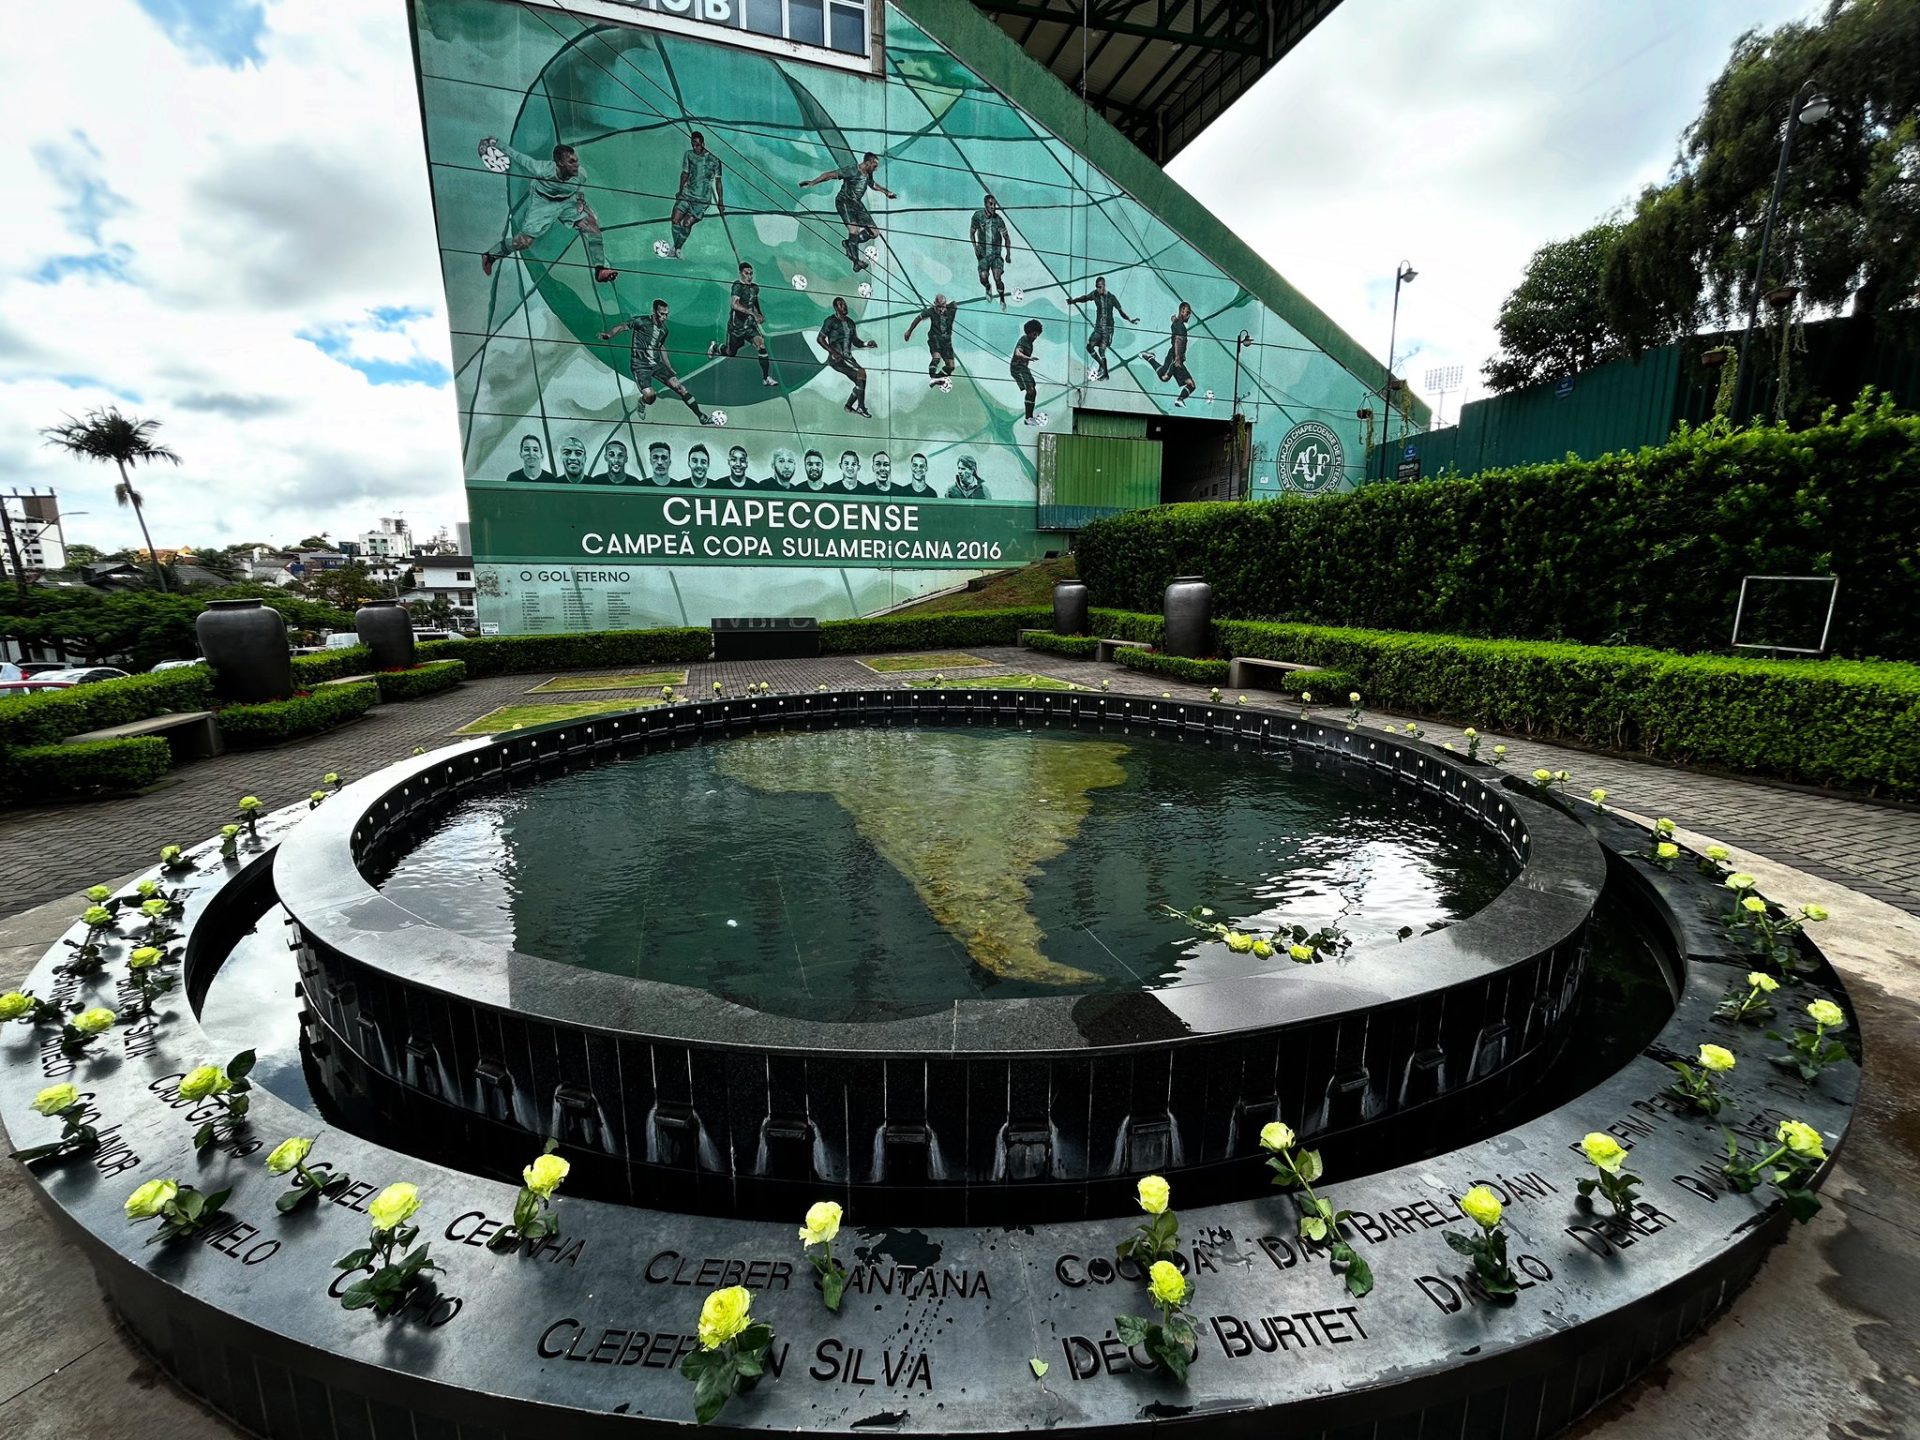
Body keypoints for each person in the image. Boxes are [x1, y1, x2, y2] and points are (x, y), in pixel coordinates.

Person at [478, 138, 616, 284]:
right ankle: (491, 255)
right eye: (571, 162)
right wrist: (496, 143)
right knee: (524, 242)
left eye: (576, 160)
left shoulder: (581, 174)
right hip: (543, 203)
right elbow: (517, 156)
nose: (577, 165)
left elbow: (579, 188)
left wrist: (581, 202)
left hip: (567, 202)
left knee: (593, 228)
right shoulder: (541, 169)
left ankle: (600, 268)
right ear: (560, 163)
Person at [599, 300, 713, 425]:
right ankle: (643, 401)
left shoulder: (664, 330)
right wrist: (609, 335)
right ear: (653, 312)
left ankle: (701, 416)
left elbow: (661, 346)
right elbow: (622, 326)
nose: (664, 318)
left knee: (680, 388)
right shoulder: (641, 321)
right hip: (640, 366)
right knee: (650, 396)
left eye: (666, 314)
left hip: (656, 364)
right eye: (661, 314)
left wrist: (668, 366)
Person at [798, 151, 896, 273]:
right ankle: (856, 262)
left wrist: (886, 192)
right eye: (874, 166)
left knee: (874, 232)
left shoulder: (868, 173)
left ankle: (850, 243)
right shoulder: (852, 170)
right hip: (844, 202)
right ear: (868, 162)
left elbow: (872, 184)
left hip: (856, 204)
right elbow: (830, 175)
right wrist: (813, 182)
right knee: (854, 230)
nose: (876, 169)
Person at [707, 260, 775, 385]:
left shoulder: (755, 288)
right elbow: (734, 304)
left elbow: (754, 301)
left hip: (749, 327)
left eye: (751, 273)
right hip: (736, 327)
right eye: (746, 273)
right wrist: (751, 313)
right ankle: (715, 346)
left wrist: (759, 313)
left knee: (761, 345)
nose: (749, 276)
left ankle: (766, 378)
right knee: (730, 353)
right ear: (740, 273)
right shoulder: (737, 286)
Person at [1066, 276, 1137, 381]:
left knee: (1101, 350)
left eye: (1100, 287)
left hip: (1108, 329)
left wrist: (1130, 320)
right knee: (1089, 346)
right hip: (1099, 327)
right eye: (1097, 287)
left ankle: (1105, 373)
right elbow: (1084, 298)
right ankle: (1103, 369)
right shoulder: (1095, 294)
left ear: (1104, 286)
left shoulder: (1111, 297)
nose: (1098, 289)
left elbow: (1120, 311)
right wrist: (1073, 301)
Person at [816, 296, 877, 418]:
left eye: (844, 304)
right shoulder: (830, 321)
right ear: (836, 308)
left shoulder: (850, 323)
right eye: (841, 304)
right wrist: (833, 352)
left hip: (848, 358)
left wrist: (866, 344)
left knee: (860, 382)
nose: (844, 306)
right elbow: (820, 339)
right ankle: (860, 407)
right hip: (837, 359)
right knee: (861, 373)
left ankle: (849, 406)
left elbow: (855, 341)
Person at [667, 131, 724, 259]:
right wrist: (680, 191)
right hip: (687, 194)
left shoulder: (714, 160)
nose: (695, 148)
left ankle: (678, 248)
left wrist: (720, 201)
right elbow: (685, 174)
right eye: (693, 145)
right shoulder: (689, 155)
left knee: (687, 223)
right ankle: (675, 247)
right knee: (675, 219)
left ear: (703, 144)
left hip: (702, 199)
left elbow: (718, 182)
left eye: (697, 145)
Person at [1141, 301, 1197, 407]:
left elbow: (1174, 324)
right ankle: (1149, 358)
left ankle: (1179, 400)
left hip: (1178, 358)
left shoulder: (1178, 323)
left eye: (1190, 313)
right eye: (1187, 312)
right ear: (1181, 311)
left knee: (1191, 384)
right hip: (1174, 357)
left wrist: (1174, 319)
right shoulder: (1180, 326)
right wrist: (1177, 359)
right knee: (1164, 377)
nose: (1189, 315)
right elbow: (1177, 341)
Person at [904, 294, 957, 384]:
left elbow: (954, 304)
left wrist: (949, 305)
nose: (940, 310)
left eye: (942, 307)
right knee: (936, 358)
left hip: (946, 341)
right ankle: (933, 376)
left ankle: (938, 378)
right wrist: (909, 331)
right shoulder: (931, 311)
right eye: (938, 307)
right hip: (935, 339)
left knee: (950, 366)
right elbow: (918, 318)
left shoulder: (951, 309)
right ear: (934, 305)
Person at [970, 193, 1011, 307]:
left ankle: (1002, 298)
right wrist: (975, 247)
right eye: (991, 204)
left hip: (995, 255)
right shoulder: (977, 216)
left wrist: (1008, 253)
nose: (993, 207)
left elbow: (1006, 237)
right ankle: (988, 286)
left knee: (997, 277)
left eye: (995, 205)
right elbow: (972, 232)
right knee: (983, 277)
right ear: (985, 205)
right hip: (983, 254)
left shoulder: (998, 220)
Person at [1010, 319, 1043, 425]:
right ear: (1029, 332)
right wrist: (1028, 358)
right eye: (1034, 334)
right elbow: (1017, 353)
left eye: (1037, 335)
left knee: (1033, 391)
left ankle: (1030, 417)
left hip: (1024, 369)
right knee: (1030, 390)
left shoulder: (1030, 343)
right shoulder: (1024, 339)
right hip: (1017, 368)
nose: (1035, 337)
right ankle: (1028, 418)